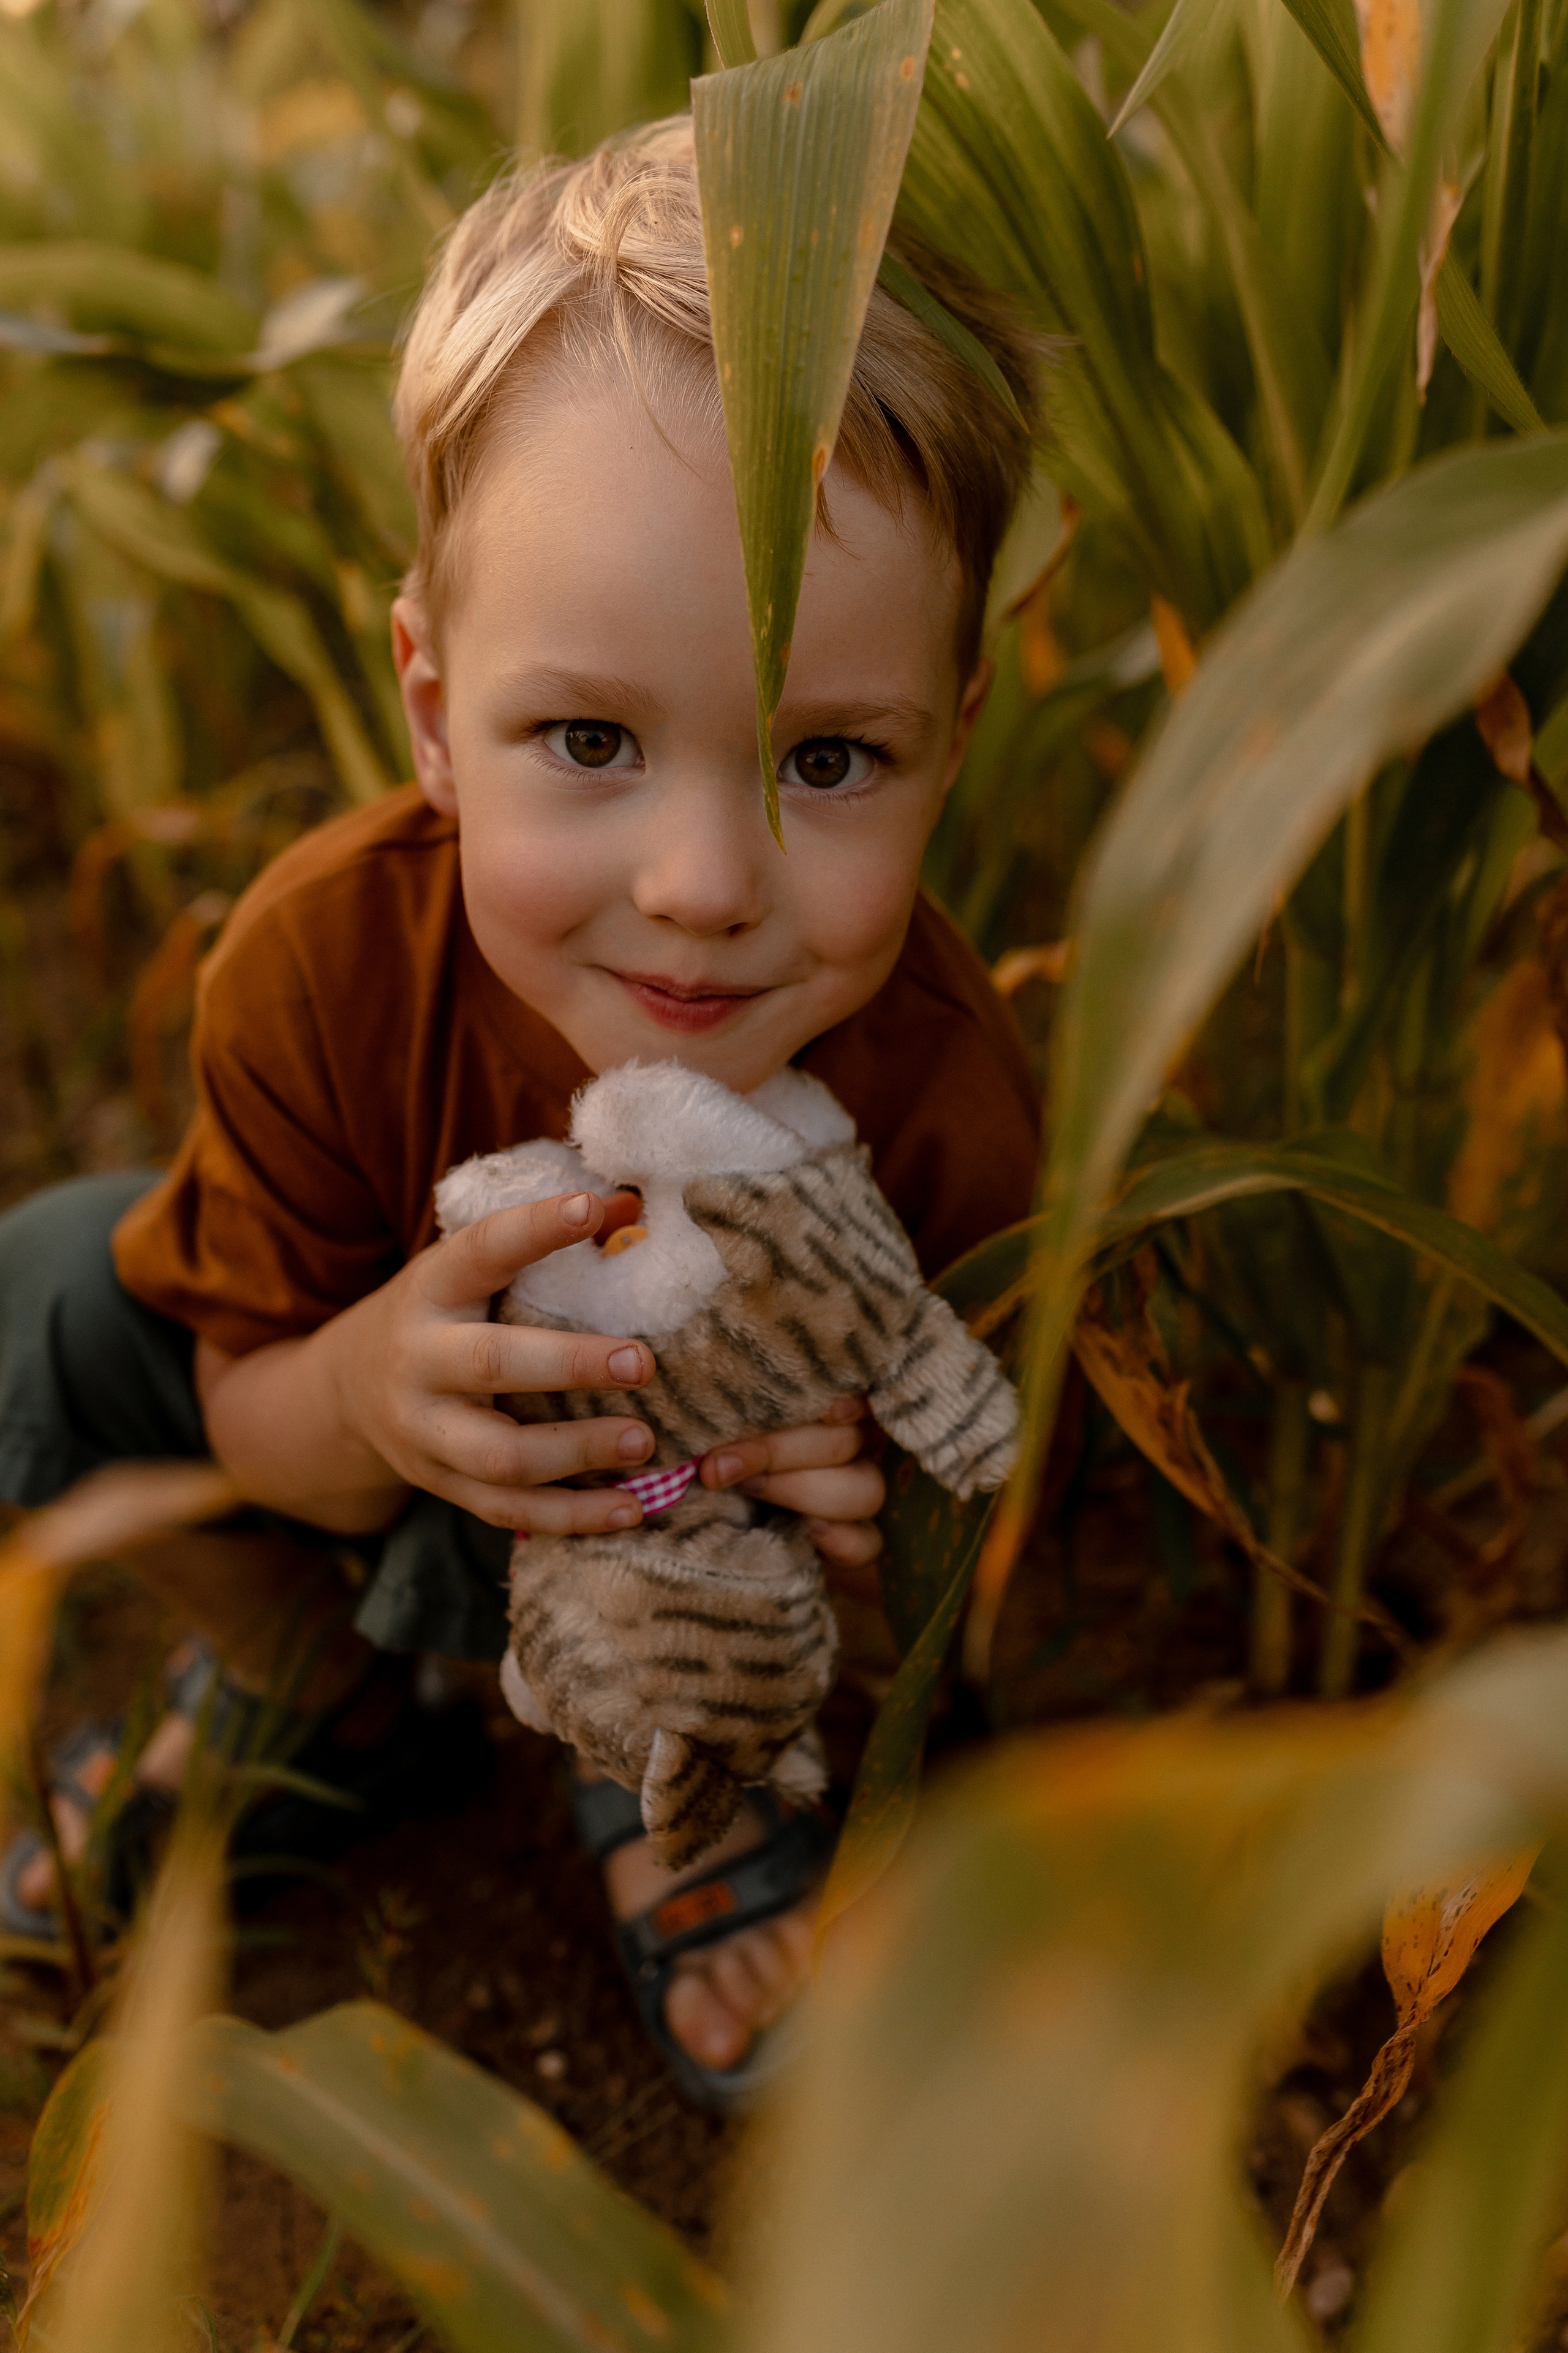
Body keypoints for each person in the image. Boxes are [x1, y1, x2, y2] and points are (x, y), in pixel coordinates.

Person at [0, 118, 1042, 2108]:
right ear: (430, 710)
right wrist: (367, 1390)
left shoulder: (939, 1092)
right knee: (45, 1295)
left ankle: (681, 1793)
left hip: (691, 1573)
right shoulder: (322, 967)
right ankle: (318, 1692)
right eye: (589, 737)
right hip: (377, 1464)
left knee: (783, 1591)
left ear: (953, 739)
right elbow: (248, 1413)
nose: (705, 885)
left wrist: (854, 1529)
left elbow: (963, 1533)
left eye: (829, 759)